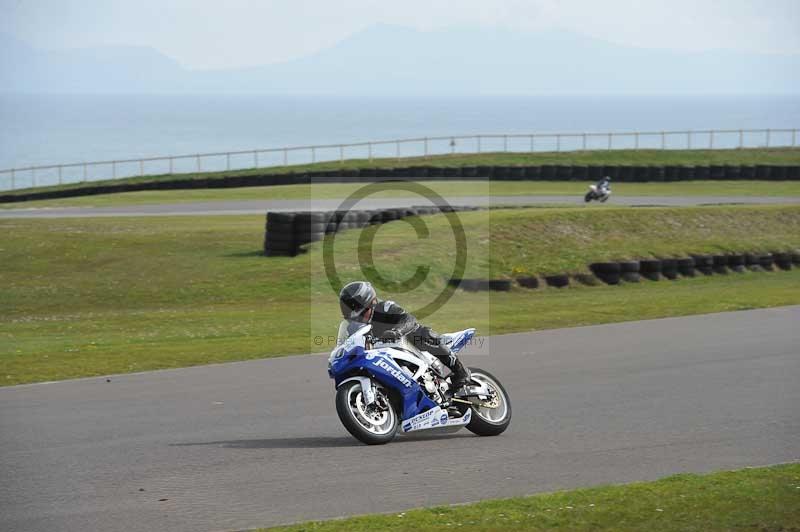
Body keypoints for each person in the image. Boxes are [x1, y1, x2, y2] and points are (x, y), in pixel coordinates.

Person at [337, 281, 472, 392]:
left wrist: (397, 331)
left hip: (406, 345)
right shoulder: (351, 327)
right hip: (380, 358)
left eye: (361, 314)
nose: (359, 318)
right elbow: (346, 344)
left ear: (371, 304)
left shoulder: (385, 308)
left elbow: (409, 320)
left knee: (420, 334)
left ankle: (461, 372)